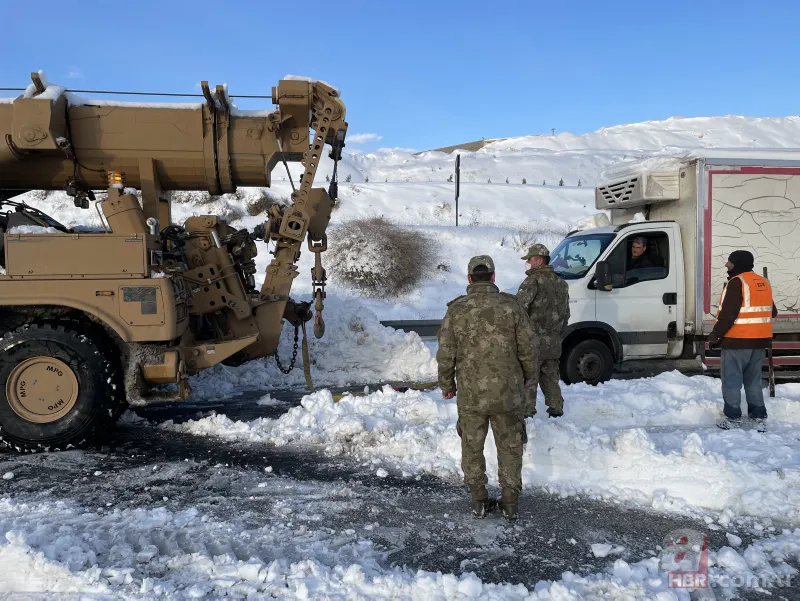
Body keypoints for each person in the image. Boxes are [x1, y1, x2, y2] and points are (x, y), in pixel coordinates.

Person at [437, 255, 537, 521]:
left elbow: (446, 353)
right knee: (510, 447)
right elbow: (529, 349)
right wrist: (528, 378)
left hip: (471, 395)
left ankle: (479, 501)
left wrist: (447, 385)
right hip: (508, 393)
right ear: (493, 277)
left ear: (470, 279)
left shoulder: (456, 310)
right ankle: (510, 504)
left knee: (471, 446)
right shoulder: (512, 306)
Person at [707, 250, 778, 431]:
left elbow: (728, 315)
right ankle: (758, 417)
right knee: (753, 381)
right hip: (759, 342)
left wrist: (715, 336)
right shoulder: (763, 282)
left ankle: (733, 418)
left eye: (729, 261)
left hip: (737, 341)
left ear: (737, 263)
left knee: (732, 380)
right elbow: (773, 312)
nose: (727, 265)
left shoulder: (737, 282)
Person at [516, 244, 570, 418]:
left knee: (529, 377)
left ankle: (527, 413)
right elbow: (566, 314)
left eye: (530, 260)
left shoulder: (532, 281)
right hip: (553, 341)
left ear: (539, 260)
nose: (529, 263)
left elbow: (519, 311)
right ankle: (556, 409)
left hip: (532, 342)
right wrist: (557, 335)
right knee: (550, 376)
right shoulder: (562, 283)